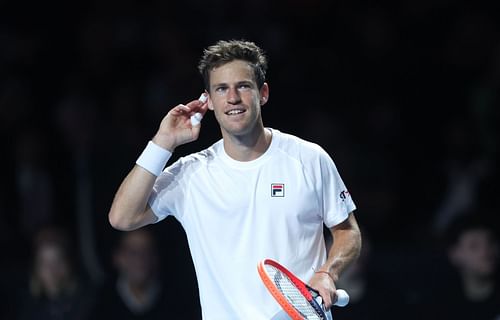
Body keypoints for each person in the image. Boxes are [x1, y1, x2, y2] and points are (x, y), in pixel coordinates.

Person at [108, 39, 362, 319]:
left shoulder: (309, 159)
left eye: (243, 86)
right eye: (221, 89)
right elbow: (123, 217)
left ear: (262, 93)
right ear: (210, 101)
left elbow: (347, 231)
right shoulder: (190, 174)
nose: (233, 98)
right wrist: (162, 143)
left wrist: (327, 273)